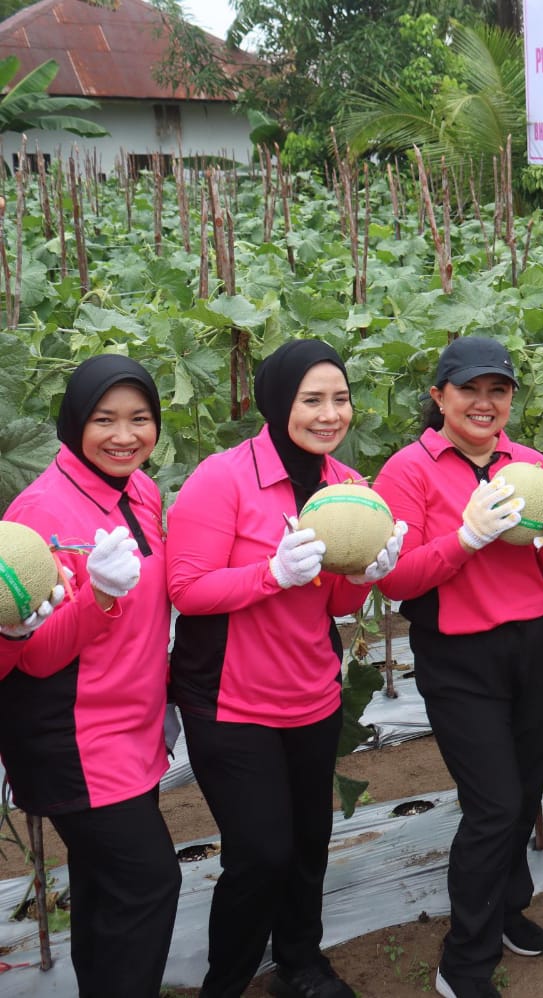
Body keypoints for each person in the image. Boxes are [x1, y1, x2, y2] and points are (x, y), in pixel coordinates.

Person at [167, 340, 405, 998]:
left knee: (307, 841)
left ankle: (300, 962)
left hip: (310, 689)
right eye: (312, 400)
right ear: (278, 403)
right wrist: (269, 574)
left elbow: (337, 602)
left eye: (340, 399)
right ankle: (228, 980)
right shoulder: (223, 479)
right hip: (229, 697)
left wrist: (363, 574)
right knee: (260, 853)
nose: (330, 414)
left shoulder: (350, 490)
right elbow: (186, 589)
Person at [372, 336, 543, 998]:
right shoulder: (407, 471)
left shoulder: (531, 464)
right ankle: (463, 961)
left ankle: (507, 904)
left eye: (499, 390)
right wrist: (464, 538)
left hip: (534, 643)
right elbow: (398, 579)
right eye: (469, 390)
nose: (485, 403)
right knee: (491, 804)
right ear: (439, 397)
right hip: (459, 655)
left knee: (522, 787)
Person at [0, 356, 180, 997]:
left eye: (140, 419)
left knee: (107, 891)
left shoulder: (142, 491)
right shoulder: (39, 513)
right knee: (150, 883)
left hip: (130, 727)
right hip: (73, 735)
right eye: (105, 420)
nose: (124, 435)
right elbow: (36, 655)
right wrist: (97, 598)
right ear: (75, 422)